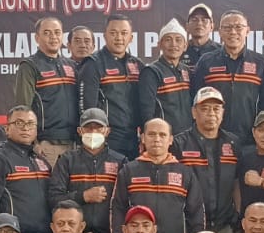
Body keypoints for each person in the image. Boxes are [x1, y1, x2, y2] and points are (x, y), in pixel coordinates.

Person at [111, 118, 204, 233]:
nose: (157, 139)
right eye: (151, 134)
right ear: (143, 138)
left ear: (171, 140)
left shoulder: (185, 173)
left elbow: (196, 213)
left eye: (162, 135)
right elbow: (117, 208)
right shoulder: (128, 171)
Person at [193, 10, 264, 147]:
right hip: (212, 140)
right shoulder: (206, 62)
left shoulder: (260, 63)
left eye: (238, 27)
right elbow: (195, 99)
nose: (233, 32)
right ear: (220, 32)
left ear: (247, 31)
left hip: (250, 141)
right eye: (227, 27)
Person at [174, 87, 242, 233]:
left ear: (223, 113)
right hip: (189, 228)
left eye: (216, 108)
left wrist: (238, 216)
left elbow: (237, 183)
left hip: (225, 228)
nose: (211, 113)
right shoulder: (179, 144)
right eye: (204, 108)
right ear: (194, 112)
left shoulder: (233, 143)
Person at [49, 108, 126, 233]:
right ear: (80, 131)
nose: (93, 132)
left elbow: (126, 201)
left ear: (107, 131)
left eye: (99, 128)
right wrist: (83, 196)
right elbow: (54, 199)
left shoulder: (120, 161)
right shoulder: (67, 160)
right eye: (88, 128)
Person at [13, 17, 78, 167]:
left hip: (74, 143)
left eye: (57, 32)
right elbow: (23, 107)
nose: (53, 37)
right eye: (47, 33)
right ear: (37, 38)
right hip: (46, 144)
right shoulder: (30, 66)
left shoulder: (72, 65)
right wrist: (33, 142)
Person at [80, 14, 144, 157]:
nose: (119, 38)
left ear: (131, 38)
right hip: (106, 138)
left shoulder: (138, 65)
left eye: (124, 33)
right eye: (113, 33)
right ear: (104, 36)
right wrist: (95, 137)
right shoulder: (93, 64)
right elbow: (87, 109)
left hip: (133, 138)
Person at [138, 19, 194, 137]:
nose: (173, 44)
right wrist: (150, 136)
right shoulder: (152, 72)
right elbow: (146, 111)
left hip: (188, 138)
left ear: (185, 46)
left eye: (178, 40)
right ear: (159, 44)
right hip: (163, 138)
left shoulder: (187, 71)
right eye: (168, 39)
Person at [181, 3, 220, 69]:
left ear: (212, 26)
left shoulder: (221, 51)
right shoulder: (179, 51)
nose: (199, 23)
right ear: (187, 26)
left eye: (204, 20)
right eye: (194, 19)